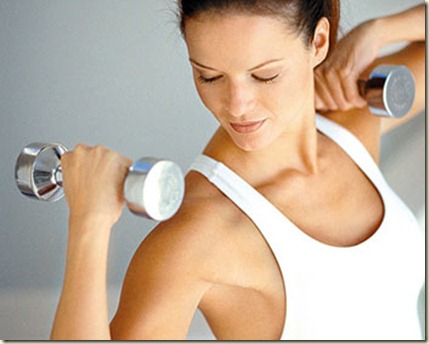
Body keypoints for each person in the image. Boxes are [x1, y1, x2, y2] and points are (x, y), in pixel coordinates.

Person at [50, 0, 425, 340]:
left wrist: (378, 30)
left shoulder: (351, 119)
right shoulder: (197, 233)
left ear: (319, 42)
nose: (237, 106)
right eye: (209, 76)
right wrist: (89, 224)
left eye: (265, 75)